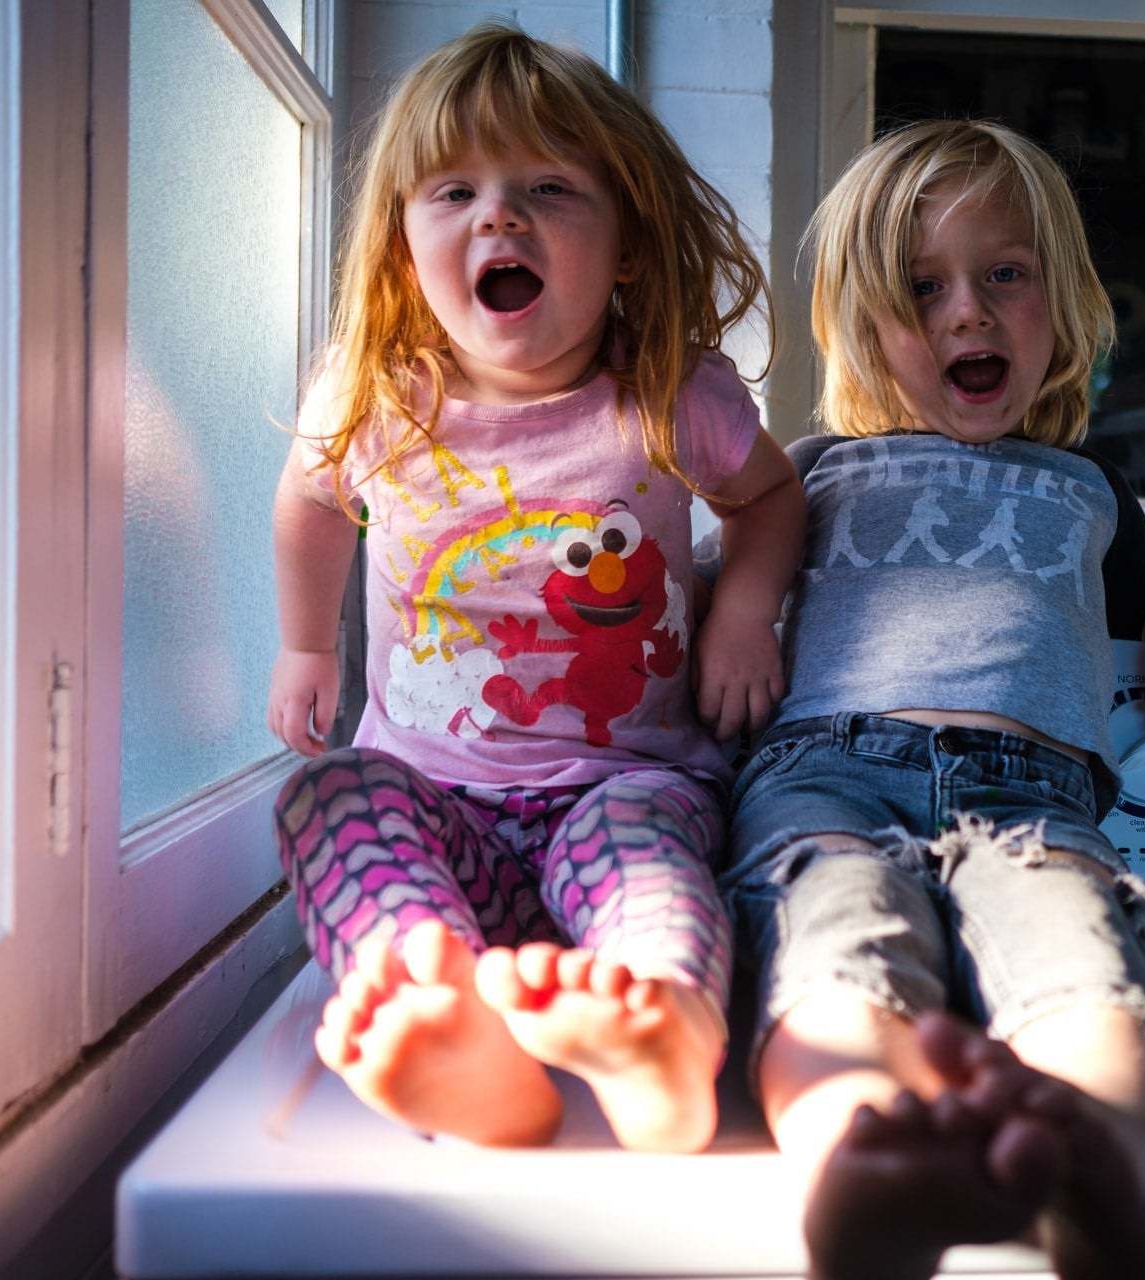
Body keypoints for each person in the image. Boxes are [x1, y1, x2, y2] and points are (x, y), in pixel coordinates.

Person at [722, 119, 1145, 1279]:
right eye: (923, 288)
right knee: (835, 941)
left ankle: (1125, 1170)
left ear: (1061, 302)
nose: (968, 312)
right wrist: (732, 618)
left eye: (1005, 274)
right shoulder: (805, 473)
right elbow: (728, 605)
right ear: (867, 322)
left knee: (1078, 959)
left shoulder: (1091, 489)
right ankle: (858, 1161)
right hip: (826, 776)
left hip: (1031, 801)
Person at [265, 23, 803, 1155]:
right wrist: (305, 645)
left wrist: (744, 614)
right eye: (454, 191)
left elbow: (768, 496)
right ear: (404, 244)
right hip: (436, 804)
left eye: (548, 189)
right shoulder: (376, 396)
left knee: (653, 864)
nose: (498, 218)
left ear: (629, 247)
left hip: (621, 787)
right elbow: (310, 502)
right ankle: (443, 1009)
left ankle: (661, 1031)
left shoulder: (667, 393)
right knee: (328, 796)